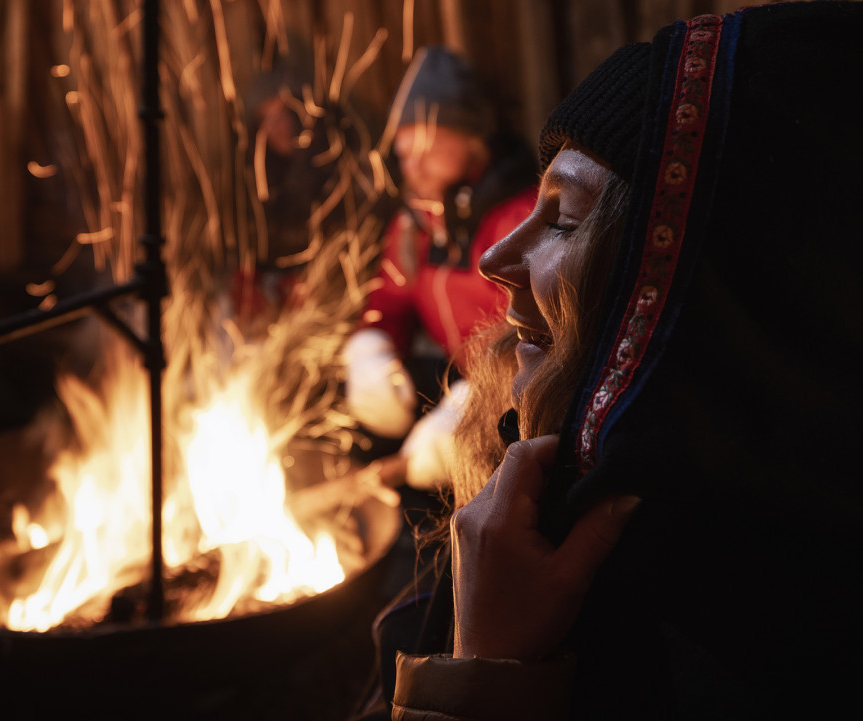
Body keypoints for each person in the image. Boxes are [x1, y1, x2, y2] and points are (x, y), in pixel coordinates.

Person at [352, 3, 863, 719]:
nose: (497, 259)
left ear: (697, 278)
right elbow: (390, 297)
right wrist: (370, 343)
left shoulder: (713, 651)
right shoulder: (525, 530)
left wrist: (483, 672)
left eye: (563, 219)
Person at [341, 45, 538, 492]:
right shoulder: (417, 224)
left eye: (426, 147)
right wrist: (370, 352)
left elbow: (540, 341)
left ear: (471, 139)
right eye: (403, 151)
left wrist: (472, 409)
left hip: (523, 405)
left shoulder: (521, 217)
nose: (412, 166)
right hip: (462, 381)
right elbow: (387, 300)